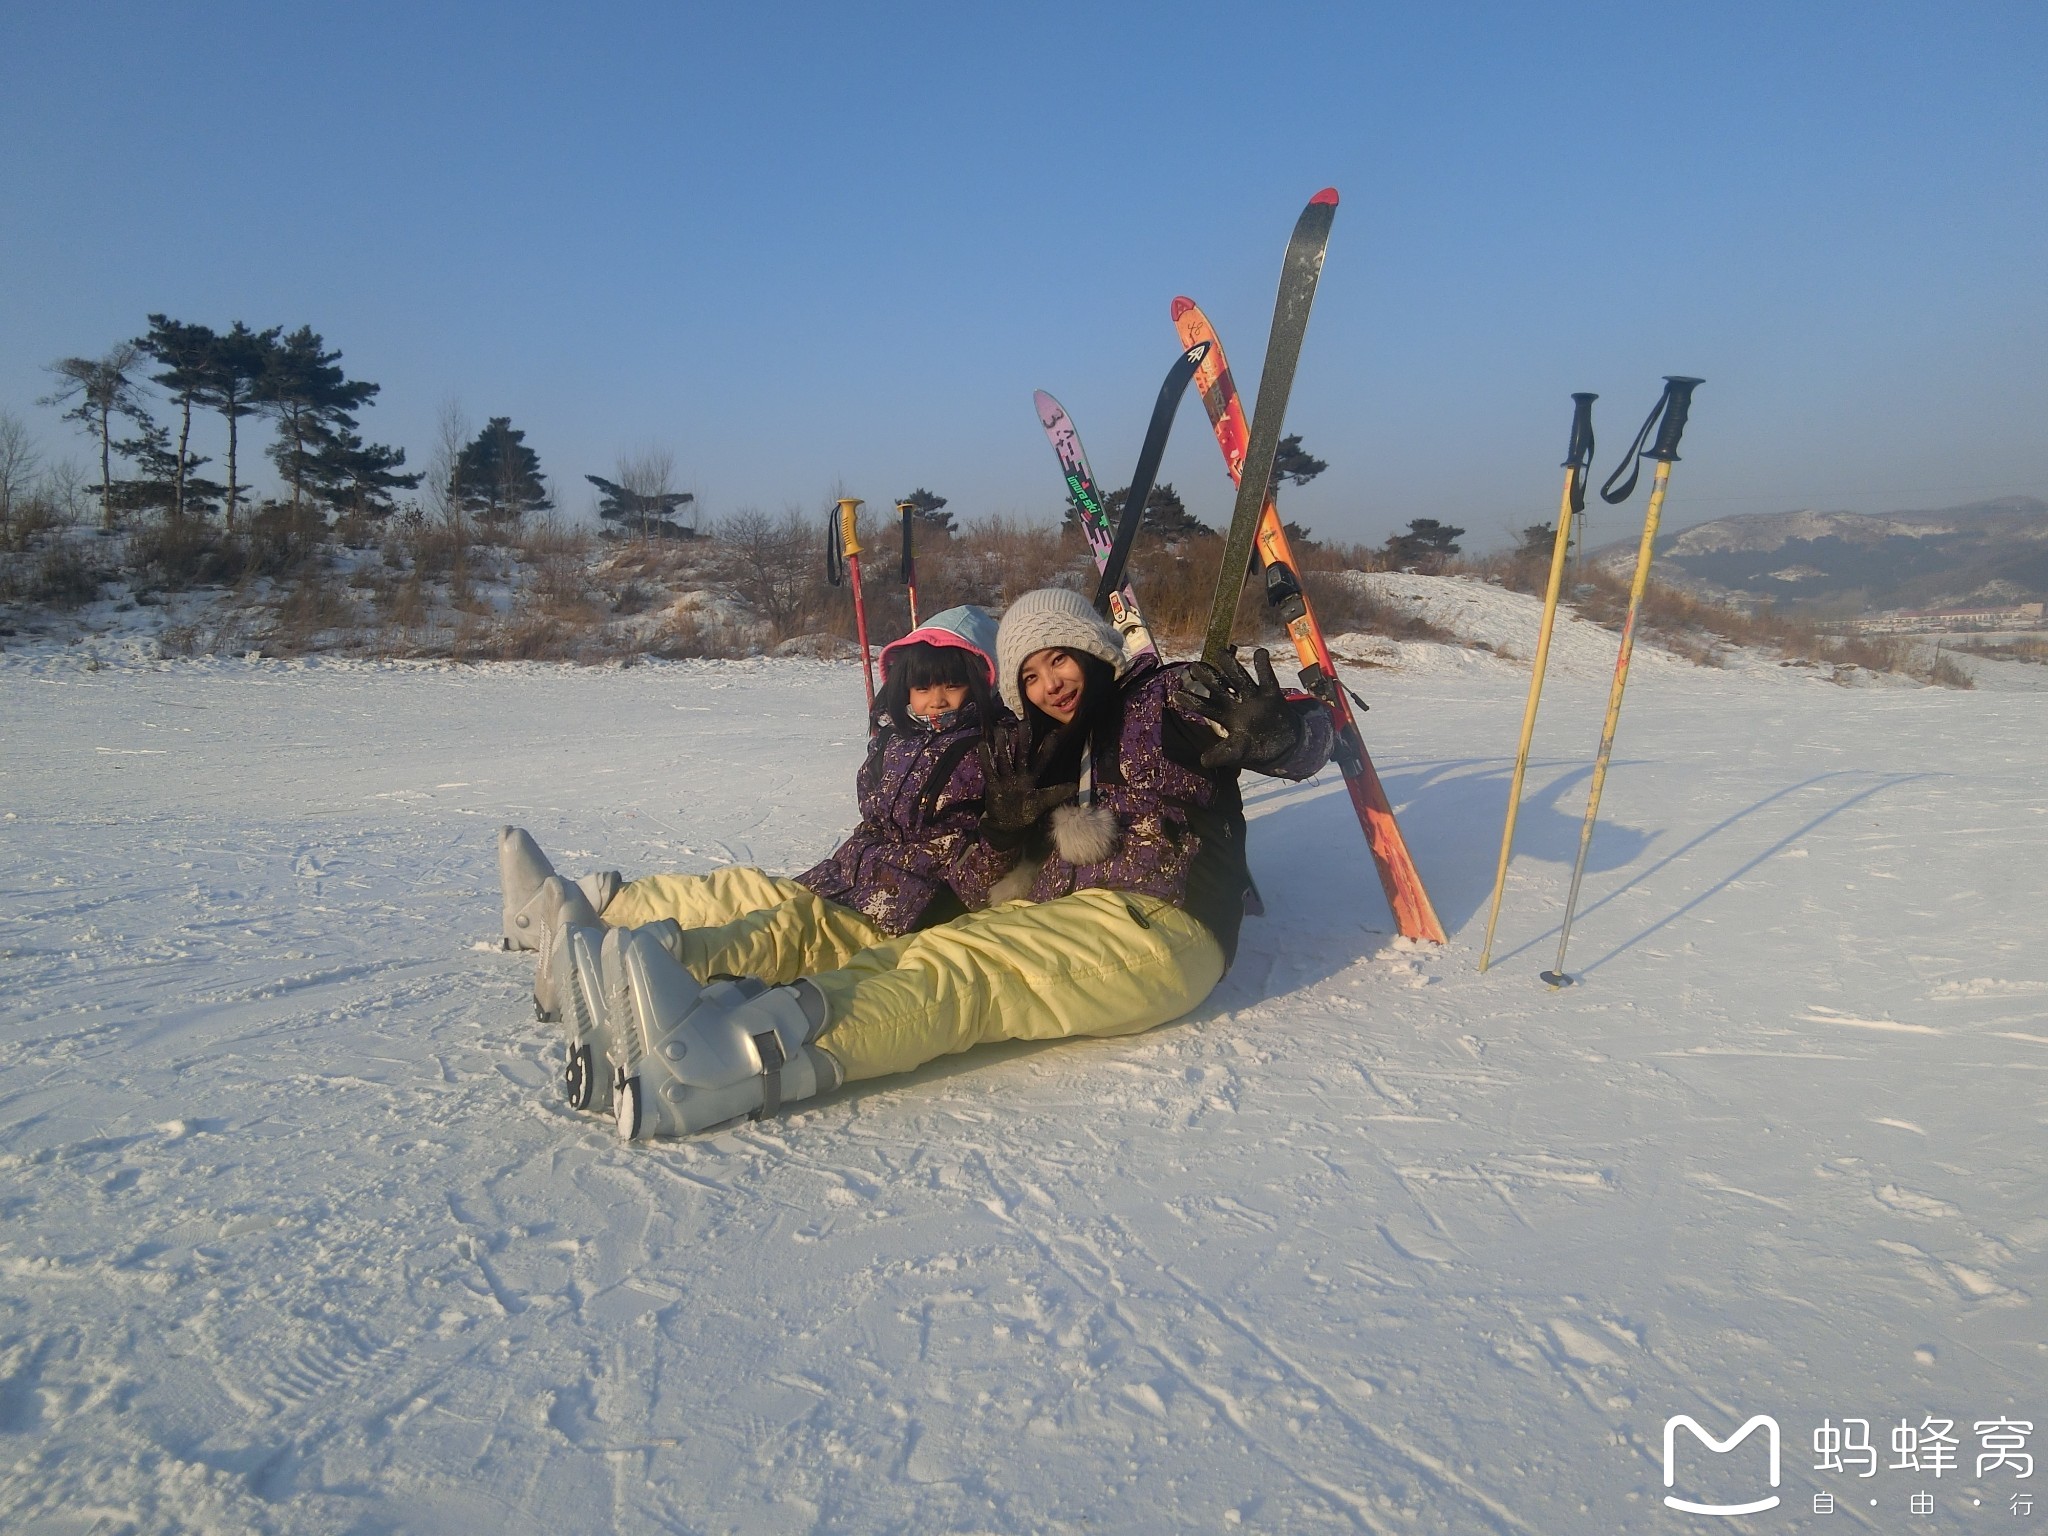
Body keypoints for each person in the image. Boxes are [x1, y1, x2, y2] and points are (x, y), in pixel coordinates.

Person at [597, 586, 1334, 1141]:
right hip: (1080, 915)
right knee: (936, 950)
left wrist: (1284, 736)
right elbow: (986, 890)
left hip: (1164, 924)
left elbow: (1301, 734)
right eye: (1034, 673)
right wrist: (1008, 834)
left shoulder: (1162, 696)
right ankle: (746, 1014)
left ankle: (740, 1066)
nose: (1052, 681)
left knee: (967, 974)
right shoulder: (1048, 752)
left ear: (1093, 648)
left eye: (1062, 657)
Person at [497, 604, 1017, 1111]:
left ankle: (661, 970)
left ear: (981, 681)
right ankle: (581, 907)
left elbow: (990, 836)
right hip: (854, 874)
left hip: (907, 902)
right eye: (923, 687)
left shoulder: (991, 746)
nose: (937, 701)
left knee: (785, 931)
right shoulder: (898, 737)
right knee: (744, 890)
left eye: (952, 685)